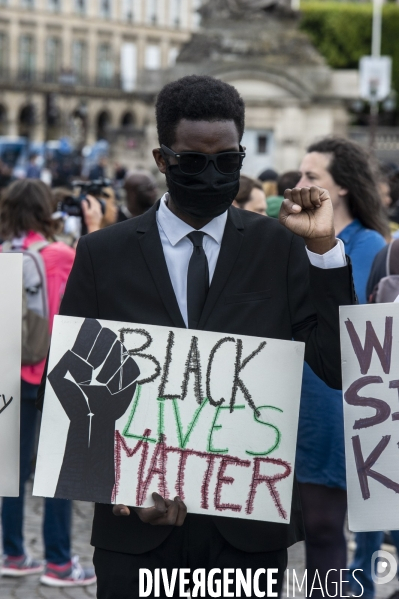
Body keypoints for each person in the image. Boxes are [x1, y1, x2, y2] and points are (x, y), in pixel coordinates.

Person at [38, 75, 356, 599]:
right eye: (194, 162)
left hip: (247, 532)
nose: (212, 174)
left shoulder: (279, 248)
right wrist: (122, 485)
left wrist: (323, 250)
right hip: (136, 534)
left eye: (227, 161)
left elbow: (338, 366)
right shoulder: (104, 254)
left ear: (241, 156)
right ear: (163, 160)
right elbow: (70, 383)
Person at [294, 137, 388, 598]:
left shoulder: (369, 245)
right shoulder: (294, 235)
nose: (300, 185)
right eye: (302, 174)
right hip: (297, 399)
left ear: (343, 188)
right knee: (311, 526)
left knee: (330, 526)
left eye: (313, 177)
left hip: (345, 406)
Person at [0, 179, 96, 588]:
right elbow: (91, 288)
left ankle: (13, 553)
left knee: (11, 469)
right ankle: (59, 562)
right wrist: (91, 228)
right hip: (54, 371)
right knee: (56, 468)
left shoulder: (4, 253)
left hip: (8, 370)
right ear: (46, 209)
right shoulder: (58, 254)